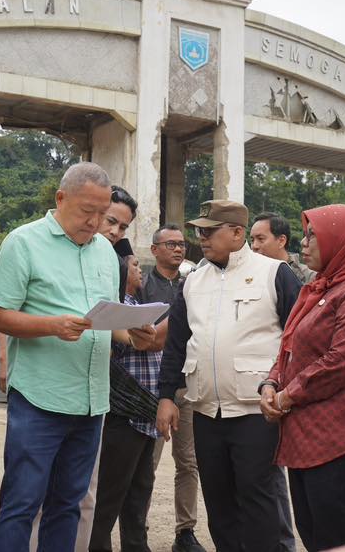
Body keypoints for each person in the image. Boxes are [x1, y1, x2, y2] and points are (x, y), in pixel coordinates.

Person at [0, 162, 154, 551]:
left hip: (92, 401)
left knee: (69, 505)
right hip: (39, 398)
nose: (95, 222)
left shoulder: (103, 253)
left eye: (102, 213)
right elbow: (0, 315)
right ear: (60, 199)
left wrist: (131, 333)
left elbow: (104, 318)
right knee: (22, 502)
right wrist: (51, 326)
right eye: (86, 211)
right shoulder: (23, 242)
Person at [156, 200, 300, 552]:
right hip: (206, 411)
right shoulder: (192, 282)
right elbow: (177, 343)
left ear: (237, 233)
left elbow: (299, 341)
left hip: (256, 411)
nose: (200, 237)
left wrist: (288, 394)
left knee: (259, 500)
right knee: (219, 503)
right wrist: (166, 397)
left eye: (209, 231)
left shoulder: (274, 274)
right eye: (199, 231)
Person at [260, 205, 345, 551]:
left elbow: (343, 361)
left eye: (313, 236)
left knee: (340, 539)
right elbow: (290, 347)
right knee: (316, 535)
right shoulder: (320, 289)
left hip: (344, 434)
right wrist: (271, 383)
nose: (303, 244)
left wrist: (288, 395)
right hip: (309, 434)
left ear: (343, 241)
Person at [90, 255, 163, 552]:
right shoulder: (116, 311)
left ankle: (136, 545)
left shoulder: (136, 306)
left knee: (140, 488)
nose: (139, 269)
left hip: (145, 415)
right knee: (111, 491)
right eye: (133, 265)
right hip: (125, 413)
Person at [142, 225, 206, 552]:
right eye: (170, 244)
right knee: (146, 462)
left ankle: (185, 531)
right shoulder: (141, 286)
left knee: (188, 461)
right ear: (154, 250)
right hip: (151, 390)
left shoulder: (193, 285)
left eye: (182, 244)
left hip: (187, 386)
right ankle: (138, 523)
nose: (178, 250)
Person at [250, 212, 315, 284]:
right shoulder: (248, 274)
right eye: (252, 240)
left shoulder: (310, 278)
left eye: (260, 239)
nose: (254, 246)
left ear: (281, 241)